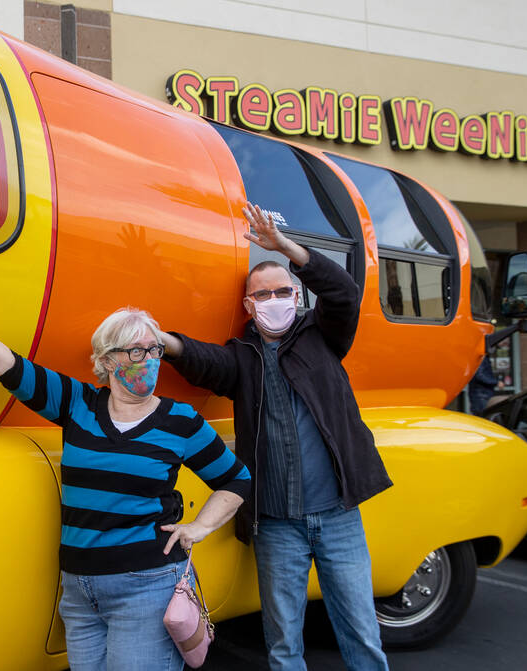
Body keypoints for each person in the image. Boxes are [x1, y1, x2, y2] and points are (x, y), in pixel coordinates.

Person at [0, 287, 251, 671]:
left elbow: (236, 479)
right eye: (136, 352)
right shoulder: (78, 405)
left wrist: (201, 526)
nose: (149, 361)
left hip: (147, 586)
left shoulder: (181, 421)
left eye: (155, 351)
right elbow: (8, 366)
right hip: (79, 589)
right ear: (107, 360)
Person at [158, 204, 393, 671]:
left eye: (282, 291)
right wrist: (161, 340)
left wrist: (285, 247)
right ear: (248, 305)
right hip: (275, 525)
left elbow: (344, 294)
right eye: (261, 295)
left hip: (338, 516)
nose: (273, 300)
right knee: (283, 644)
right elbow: (203, 361)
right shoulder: (242, 356)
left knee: (362, 633)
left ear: (297, 295)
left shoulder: (323, 335)